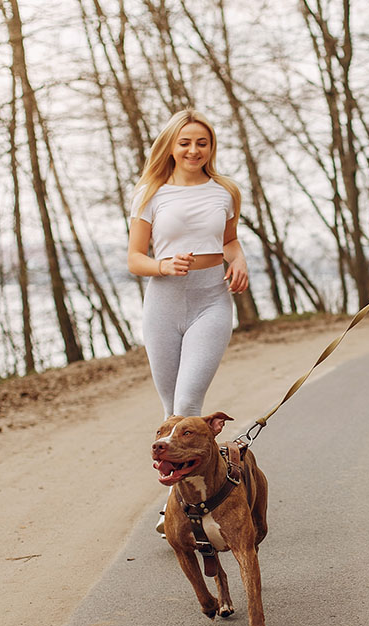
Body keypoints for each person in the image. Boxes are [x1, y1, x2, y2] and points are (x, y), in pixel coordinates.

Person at [127, 109, 249, 535]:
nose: (194, 149)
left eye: (202, 142)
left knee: (187, 405)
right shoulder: (151, 193)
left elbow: (229, 241)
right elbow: (134, 258)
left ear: (211, 147)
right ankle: (182, 504)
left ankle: (179, 510)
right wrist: (161, 266)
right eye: (185, 142)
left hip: (210, 301)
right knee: (171, 414)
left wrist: (240, 261)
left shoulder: (225, 191)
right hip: (163, 303)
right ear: (171, 147)